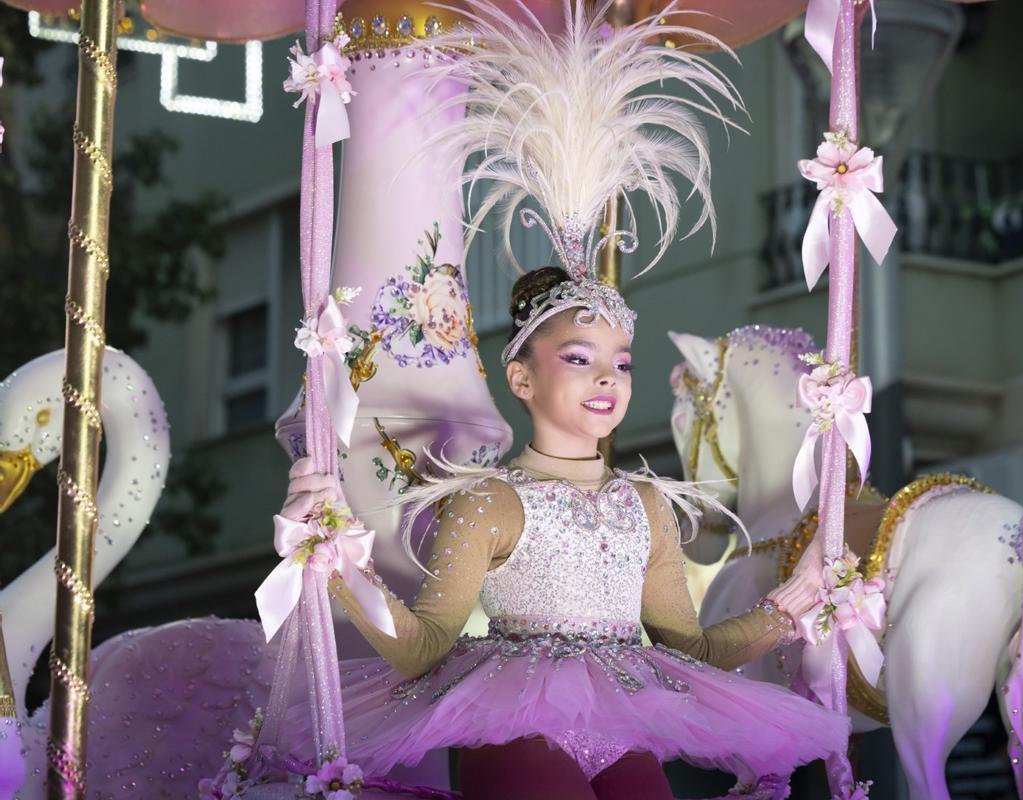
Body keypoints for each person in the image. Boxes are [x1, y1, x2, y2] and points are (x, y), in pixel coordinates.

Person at [272, 3, 850, 798]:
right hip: (507, 721)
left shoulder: (644, 504)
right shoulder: (488, 502)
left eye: (620, 362)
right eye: (579, 359)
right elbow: (425, 645)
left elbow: (689, 648)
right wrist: (341, 565)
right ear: (522, 378)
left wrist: (791, 603)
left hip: (629, 717)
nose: (607, 379)